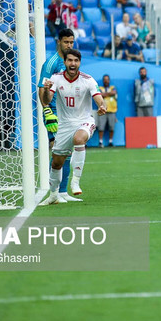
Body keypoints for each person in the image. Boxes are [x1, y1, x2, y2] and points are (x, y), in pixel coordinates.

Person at [39, 49, 106, 205]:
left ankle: (75, 181)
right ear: (65, 62)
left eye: (76, 61)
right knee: (56, 162)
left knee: (79, 138)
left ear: (79, 63)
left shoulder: (88, 80)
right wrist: (47, 90)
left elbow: (98, 98)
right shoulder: (55, 78)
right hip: (64, 125)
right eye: (70, 60)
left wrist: (102, 106)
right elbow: (47, 99)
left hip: (85, 120)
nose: (73, 64)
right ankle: (54, 195)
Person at [37, 28, 77, 202]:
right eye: (66, 42)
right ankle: (53, 192)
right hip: (53, 113)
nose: (69, 45)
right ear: (58, 42)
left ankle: (62, 192)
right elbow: (42, 88)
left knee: (67, 151)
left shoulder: (72, 61)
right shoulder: (51, 63)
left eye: (71, 42)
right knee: (58, 151)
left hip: (68, 113)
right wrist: (47, 111)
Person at [97, 75, 117, 148]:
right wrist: (108, 94)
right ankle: (100, 142)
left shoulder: (112, 87)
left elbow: (114, 93)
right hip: (102, 110)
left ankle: (110, 141)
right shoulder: (100, 88)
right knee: (101, 127)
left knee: (112, 127)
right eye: (104, 80)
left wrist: (104, 95)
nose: (106, 81)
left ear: (109, 80)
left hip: (112, 110)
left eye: (107, 79)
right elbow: (99, 95)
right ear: (103, 81)